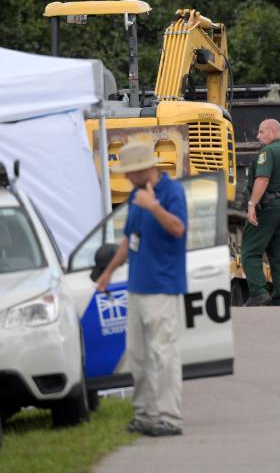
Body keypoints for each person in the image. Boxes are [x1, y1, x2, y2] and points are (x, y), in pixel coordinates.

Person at [95, 141, 188, 437]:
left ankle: (169, 417)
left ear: (144, 169)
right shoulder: (137, 195)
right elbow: (128, 240)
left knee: (164, 354)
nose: (126, 179)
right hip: (137, 287)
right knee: (138, 356)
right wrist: (108, 273)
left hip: (162, 287)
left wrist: (154, 207)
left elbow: (178, 229)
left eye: (129, 173)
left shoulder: (172, 193)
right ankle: (146, 415)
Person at [241, 118, 280, 306]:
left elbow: (263, 180)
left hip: (269, 207)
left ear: (274, 132)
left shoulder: (267, 152)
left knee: (250, 251)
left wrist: (252, 204)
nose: (258, 136)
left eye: (262, 132)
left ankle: (259, 292)